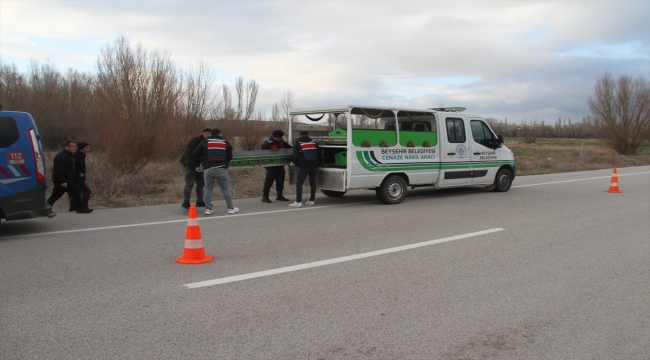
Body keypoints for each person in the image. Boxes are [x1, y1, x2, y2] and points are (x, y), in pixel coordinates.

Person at [191, 129, 239, 215]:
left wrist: (202, 162)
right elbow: (230, 156)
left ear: (211, 135)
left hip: (208, 169)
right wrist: (224, 163)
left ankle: (208, 209)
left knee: (208, 189)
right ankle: (230, 208)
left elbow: (195, 153)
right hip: (221, 169)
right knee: (225, 189)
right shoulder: (225, 142)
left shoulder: (205, 142)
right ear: (220, 134)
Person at [46, 140, 93, 217]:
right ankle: (80, 208)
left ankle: (46, 208)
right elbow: (60, 169)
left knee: (55, 195)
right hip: (62, 180)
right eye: (72, 147)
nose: (74, 148)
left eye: (75, 146)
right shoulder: (62, 156)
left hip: (63, 180)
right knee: (76, 191)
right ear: (66, 147)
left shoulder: (68, 155)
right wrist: (63, 181)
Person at [179, 128, 211, 209]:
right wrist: (193, 165)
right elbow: (191, 154)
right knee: (189, 184)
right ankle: (186, 202)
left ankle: (200, 201)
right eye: (210, 135)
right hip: (190, 165)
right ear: (206, 134)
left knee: (200, 184)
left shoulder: (206, 142)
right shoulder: (195, 141)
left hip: (199, 166)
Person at [290, 131, 321, 207]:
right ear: (308, 135)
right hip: (315, 165)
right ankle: (311, 200)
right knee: (312, 183)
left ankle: (298, 202)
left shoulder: (298, 143)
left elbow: (296, 156)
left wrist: (293, 163)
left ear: (299, 136)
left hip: (304, 166)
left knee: (299, 183)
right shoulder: (314, 143)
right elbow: (319, 154)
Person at [261, 129, 293, 203]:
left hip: (280, 165)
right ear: (274, 137)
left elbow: (288, 147)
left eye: (280, 137)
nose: (279, 139)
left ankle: (279, 195)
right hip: (271, 166)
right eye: (277, 138)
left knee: (280, 181)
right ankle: (265, 196)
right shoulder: (267, 144)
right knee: (269, 181)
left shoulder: (281, 142)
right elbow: (263, 155)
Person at [67, 142, 92, 212]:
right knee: (74, 193)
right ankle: (74, 208)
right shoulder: (75, 156)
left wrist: (83, 178)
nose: (88, 149)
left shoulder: (82, 156)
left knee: (86, 191)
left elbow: (81, 168)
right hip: (74, 178)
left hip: (80, 179)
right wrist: (78, 174)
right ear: (81, 148)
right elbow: (70, 168)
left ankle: (83, 207)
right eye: (86, 147)